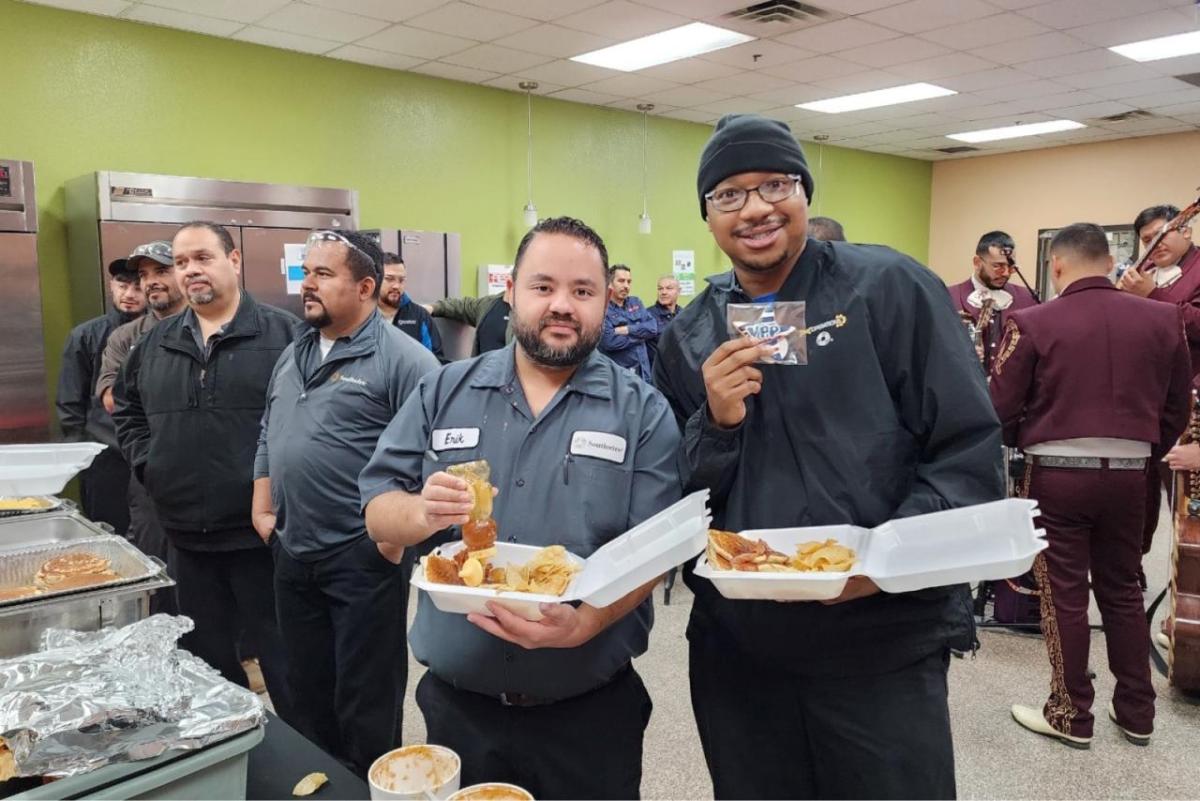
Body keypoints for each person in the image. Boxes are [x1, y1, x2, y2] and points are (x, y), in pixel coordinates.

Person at [653, 113, 1002, 799]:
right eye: (729, 193)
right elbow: (673, 495)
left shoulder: (891, 291)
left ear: (804, 192)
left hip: (882, 640)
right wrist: (717, 422)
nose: (754, 207)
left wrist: (877, 562)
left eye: (774, 183)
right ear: (708, 214)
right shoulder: (691, 334)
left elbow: (966, 451)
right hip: (740, 648)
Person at [360, 216, 681, 800]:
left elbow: (654, 552)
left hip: (590, 715)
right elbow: (378, 510)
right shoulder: (443, 390)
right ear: (510, 292)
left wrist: (588, 621)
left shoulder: (643, 411)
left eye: (583, 291)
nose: (562, 305)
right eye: (542, 286)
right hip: (460, 710)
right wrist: (421, 514)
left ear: (608, 301)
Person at [990, 222, 1191, 748]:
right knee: (1124, 589)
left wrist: (1024, 438)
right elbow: (1176, 409)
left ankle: (1070, 713)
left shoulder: (1031, 321)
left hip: (1055, 473)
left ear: (1056, 265)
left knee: (1063, 595)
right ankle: (1137, 713)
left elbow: (1000, 409)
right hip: (1132, 474)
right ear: (1109, 261)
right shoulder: (1165, 317)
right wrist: (1144, 446)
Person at [254, 231, 438, 774]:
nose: (306, 284)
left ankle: (367, 787)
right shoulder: (295, 352)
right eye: (305, 272)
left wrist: (389, 539)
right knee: (305, 692)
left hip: (361, 557)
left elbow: (436, 455)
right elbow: (269, 430)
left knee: (365, 703)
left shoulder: (406, 360)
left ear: (364, 287)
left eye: (322, 274)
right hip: (292, 549)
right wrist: (262, 508)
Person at [112, 221, 297, 716]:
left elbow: (312, 419)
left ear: (234, 261)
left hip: (263, 537)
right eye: (182, 262)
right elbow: (127, 411)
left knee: (289, 667)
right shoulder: (155, 344)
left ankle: (310, 767)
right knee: (209, 669)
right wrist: (152, 465)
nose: (190, 270)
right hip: (187, 538)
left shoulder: (286, 336)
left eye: (202, 257)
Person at [94, 240, 183, 614]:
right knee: (155, 562)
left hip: (217, 471)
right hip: (151, 469)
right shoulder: (126, 338)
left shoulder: (210, 328)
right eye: (144, 275)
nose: (150, 282)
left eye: (160, 271)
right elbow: (114, 400)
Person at [1118, 205, 1200, 570]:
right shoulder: (1141, 274)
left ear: (1186, 231)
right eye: (1147, 240)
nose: (1154, 244)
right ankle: (1133, 570)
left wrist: (1153, 295)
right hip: (1147, 401)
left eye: (1161, 234)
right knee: (1143, 497)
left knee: (1189, 510)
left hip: (1192, 403)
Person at [55, 256, 145, 536]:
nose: (129, 294)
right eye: (122, 284)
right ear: (111, 285)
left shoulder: (163, 333)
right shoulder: (86, 336)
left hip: (148, 456)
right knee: (108, 534)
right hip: (104, 459)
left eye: (137, 286)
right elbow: (70, 403)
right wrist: (83, 458)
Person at [946, 231, 1039, 373]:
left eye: (1010, 267)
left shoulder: (1027, 299)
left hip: (1013, 392)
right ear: (977, 262)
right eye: (998, 266)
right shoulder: (948, 297)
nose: (1006, 273)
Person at [379, 252, 445, 361]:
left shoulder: (419, 316)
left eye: (401, 280)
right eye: (389, 279)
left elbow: (435, 360)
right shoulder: (362, 315)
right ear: (376, 279)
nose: (396, 286)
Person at [599, 264, 657, 381]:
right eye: (621, 281)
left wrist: (627, 330)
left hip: (644, 376)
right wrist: (641, 336)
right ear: (609, 283)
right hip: (620, 380)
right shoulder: (602, 308)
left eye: (629, 282)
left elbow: (652, 328)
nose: (626, 286)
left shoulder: (636, 302)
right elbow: (609, 341)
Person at [429, 278, 512, 356]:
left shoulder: (523, 314)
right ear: (510, 284)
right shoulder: (488, 304)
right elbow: (461, 306)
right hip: (482, 370)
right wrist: (432, 308)